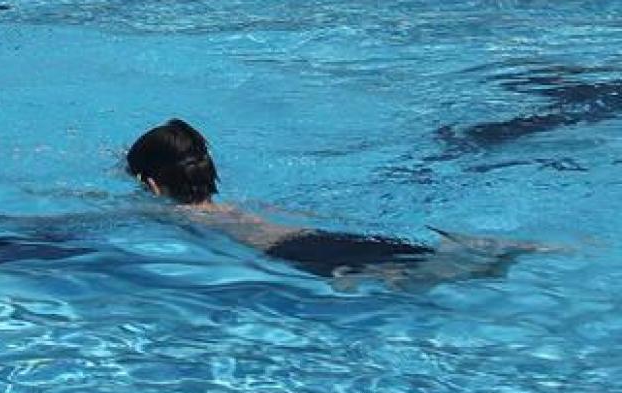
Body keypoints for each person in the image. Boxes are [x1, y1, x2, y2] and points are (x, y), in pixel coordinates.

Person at [125, 118, 534, 284]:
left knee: (400, 281)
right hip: (320, 234)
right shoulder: (242, 205)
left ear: (154, 187)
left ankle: (479, 264)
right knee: (413, 259)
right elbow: (313, 214)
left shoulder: (181, 218)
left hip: (295, 254)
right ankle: (484, 252)